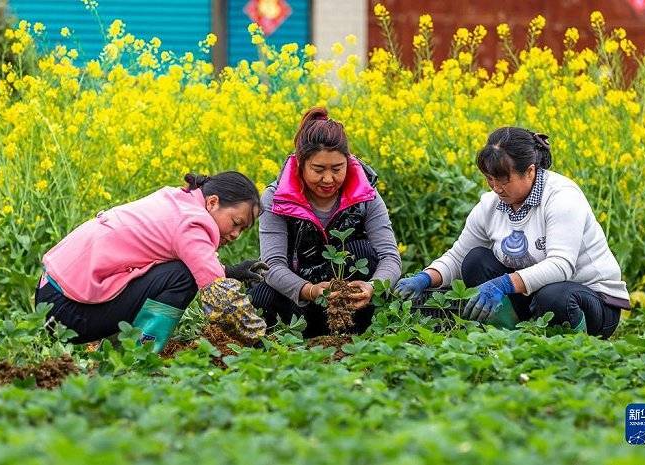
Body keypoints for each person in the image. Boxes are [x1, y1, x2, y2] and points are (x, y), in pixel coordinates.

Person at [395, 127, 630, 338]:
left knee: (553, 295)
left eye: (503, 180)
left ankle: (576, 348)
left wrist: (503, 284)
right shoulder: (491, 205)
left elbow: (561, 266)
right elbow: (458, 256)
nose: (496, 188)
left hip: (592, 301)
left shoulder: (562, 197)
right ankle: (511, 339)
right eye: (490, 179)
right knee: (476, 260)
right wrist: (425, 277)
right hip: (535, 298)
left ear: (529, 171)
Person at [35, 171, 268, 352]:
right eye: (236, 222)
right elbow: (221, 299)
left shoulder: (177, 201)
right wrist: (259, 340)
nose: (236, 234)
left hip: (49, 301)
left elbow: (178, 263)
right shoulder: (193, 224)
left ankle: (118, 346)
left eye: (243, 230)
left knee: (181, 270)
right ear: (212, 203)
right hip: (68, 317)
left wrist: (229, 271)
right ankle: (140, 354)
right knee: (183, 276)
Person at [249, 107, 402, 337]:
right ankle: (284, 347)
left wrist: (372, 286)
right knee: (260, 294)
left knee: (362, 252)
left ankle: (354, 339)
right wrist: (309, 290)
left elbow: (390, 256)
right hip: (298, 301)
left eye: (337, 169)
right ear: (300, 164)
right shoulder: (276, 197)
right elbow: (272, 265)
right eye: (318, 169)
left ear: (348, 163)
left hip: (350, 305)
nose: (328, 179)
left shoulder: (366, 194)